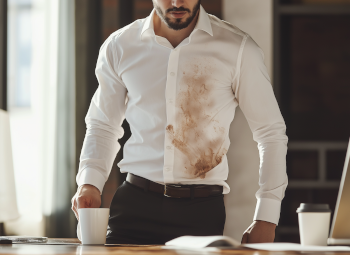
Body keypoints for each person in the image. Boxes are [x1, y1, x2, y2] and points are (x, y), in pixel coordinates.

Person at [71, 0, 288, 245]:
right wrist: (89, 183)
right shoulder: (120, 46)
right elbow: (103, 125)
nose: (176, 2)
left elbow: (270, 133)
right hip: (134, 207)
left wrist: (266, 218)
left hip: (201, 213)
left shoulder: (238, 49)